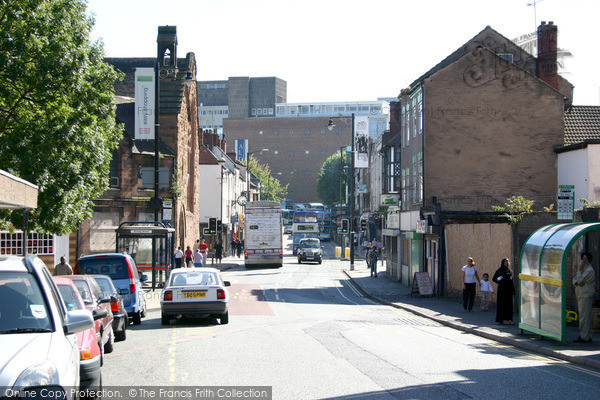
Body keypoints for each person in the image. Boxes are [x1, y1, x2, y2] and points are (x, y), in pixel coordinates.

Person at [572, 252, 596, 343]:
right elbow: (575, 280)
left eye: (586, 259)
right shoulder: (583, 270)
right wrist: (577, 281)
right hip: (581, 295)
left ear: (589, 260)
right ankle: (588, 336)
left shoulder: (589, 270)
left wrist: (578, 273)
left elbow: (580, 280)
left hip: (585, 295)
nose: (584, 261)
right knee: (585, 317)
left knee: (583, 317)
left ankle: (584, 337)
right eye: (583, 259)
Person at [493, 258, 515, 324]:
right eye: (505, 261)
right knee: (501, 305)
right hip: (502, 291)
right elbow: (494, 279)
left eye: (508, 261)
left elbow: (512, 281)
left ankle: (509, 320)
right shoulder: (500, 271)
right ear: (503, 262)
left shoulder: (510, 271)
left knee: (509, 305)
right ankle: (500, 320)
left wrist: (513, 291)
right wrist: (500, 280)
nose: (507, 263)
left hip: (508, 291)